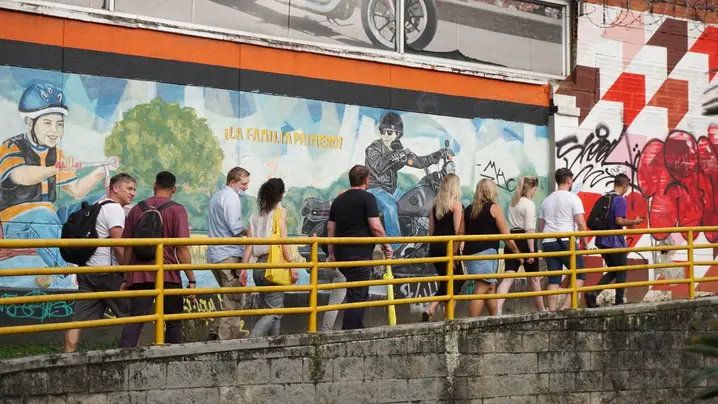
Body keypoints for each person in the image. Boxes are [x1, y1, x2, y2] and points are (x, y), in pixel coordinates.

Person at [0, 83, 106, 268]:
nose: (55, 131)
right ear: (30, 123)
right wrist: (56, 168)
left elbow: (76, 191)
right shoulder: (11, 146)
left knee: (96, 203)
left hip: (48, 216)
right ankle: (66, 271)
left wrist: (101, 171)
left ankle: (101, 263)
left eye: (60, 124)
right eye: (47, 123)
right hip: (15, 223)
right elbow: (23, 176)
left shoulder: (56, 153)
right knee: (43, 216)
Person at [119, 171, 197, 347]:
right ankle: (172, 358)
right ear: (174, 189)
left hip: (140, 273)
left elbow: (128, 247)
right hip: (168, 273)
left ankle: (123, 357)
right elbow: (182, 248)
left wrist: (126, 277)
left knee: (135, 320)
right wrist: (191, 280)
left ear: (154, 186)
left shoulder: (137, 209)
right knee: (173, 321)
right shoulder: (177, 210)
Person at [64, 173, 136, 353]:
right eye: (129, 188)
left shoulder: (97, 205)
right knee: (134, 316)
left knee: (78, 320)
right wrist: (127, 274)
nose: (132, 193)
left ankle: (67, 357)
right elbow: (119, 246)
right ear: (115, 188)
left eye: (134, 189)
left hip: (87, 271)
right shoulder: (114, 209)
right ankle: (138, 357)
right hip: (107, 273)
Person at [364, 112, 444, 252]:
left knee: (414, 202)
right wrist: (394, 155)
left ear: (398, 135)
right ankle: (394, 248)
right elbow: (378, 167)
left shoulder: (398, 150)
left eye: (392, 132)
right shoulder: (373, 149)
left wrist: (436, 155)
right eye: (385, 131)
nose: (387, 135)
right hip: (375, 189)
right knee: (390, 208)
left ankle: (418, 237)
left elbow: (418, 162)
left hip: (392, 190)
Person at [327, 165, 392, 330]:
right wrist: (386, 245)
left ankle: (359, 329)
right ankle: (348, 334)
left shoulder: (338, 200)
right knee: (357, 296)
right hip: (359, 254)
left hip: (342, 254)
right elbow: (376, 226)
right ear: (366, 180)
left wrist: (331, 253)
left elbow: (330, 228)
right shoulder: (368, 198)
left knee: (361, 293)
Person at [243, 178, 298, 337]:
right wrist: (292, 264)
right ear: (281, 194)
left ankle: (274, 343)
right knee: (274, 311)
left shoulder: (254, 216)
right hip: (273, 265)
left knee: (272, 309)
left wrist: (243, 269)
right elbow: (282, 239)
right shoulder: (280, 212)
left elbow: (249, 245)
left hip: (258, 268)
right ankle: (251, 340)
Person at [463, 179, 522, 317]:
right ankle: (470, 324)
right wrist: (517, 253)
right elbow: (506, 235)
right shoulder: (494, 208)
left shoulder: (468, 209)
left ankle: (495, 320)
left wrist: (454, 253)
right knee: (481, 288)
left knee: (490, 288)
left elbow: (460, 232)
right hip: (486, 254)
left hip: (470, 255)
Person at [585, 174, 645, 307]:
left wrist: (627, 223)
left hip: (602, 240)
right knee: (622, 269)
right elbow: (619, 221)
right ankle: (619, 301)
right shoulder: (620, 200)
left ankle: (592, 293)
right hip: (614, 241)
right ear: (625, 186)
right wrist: (634, 221)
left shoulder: (606, 197)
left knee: (613, 270)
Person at [206, 167, 251, 340]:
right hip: (229, 254)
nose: (246, 187)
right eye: (244, 184)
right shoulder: (232, 197)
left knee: (229, 299)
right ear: (233, 182)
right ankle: (225, 344)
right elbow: (235, 228)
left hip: (215, 255)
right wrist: (252, 232)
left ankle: (214, 334)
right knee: (234, 301)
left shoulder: (217, 196)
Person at [538, 168, 589, 312]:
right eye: (571, 180)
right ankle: (566, 307)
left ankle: (551, 312)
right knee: (579, 274)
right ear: (568, 180)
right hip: (566, 240)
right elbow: (581, 223)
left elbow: (540, 226)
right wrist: (585, 243)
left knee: (554, 279)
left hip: (548, 241)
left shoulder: (546, 200)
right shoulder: (573, 198)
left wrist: (542, 245)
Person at [496, 176, 545, 314]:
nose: (534, 193)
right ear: (530, 188)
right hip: (525, 240)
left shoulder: (513, 203)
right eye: (534, 190)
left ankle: (497, 309)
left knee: (508, 277)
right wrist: (531, 251)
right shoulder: (529, 204)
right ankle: (541, 310)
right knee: (534, 278)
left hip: (512, 239)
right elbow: (529, 229)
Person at [422, 173, 464, 322]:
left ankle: (448, 317)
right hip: (449, 247)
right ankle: (432, 309)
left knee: (447, 281)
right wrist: (459, 250)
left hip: (435, 247)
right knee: (456, 281)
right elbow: (458, 231)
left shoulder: (435, 204)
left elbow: (431, 230)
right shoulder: (456, 205)